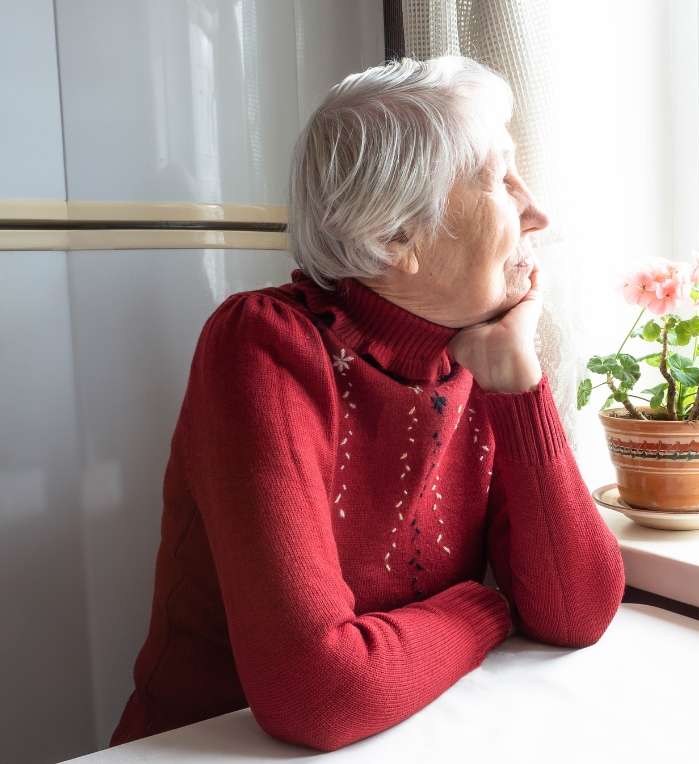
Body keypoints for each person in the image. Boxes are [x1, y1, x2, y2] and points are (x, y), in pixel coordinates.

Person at [109, 55, 624, 752]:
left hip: (408, 729)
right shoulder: (263, 344)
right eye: (500, 181)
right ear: (394, 237)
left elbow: (578, 611)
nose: (537, 212)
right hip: (209, 748)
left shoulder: (474, 350)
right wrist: (484, 608)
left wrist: (518, 387)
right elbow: (318, 694)